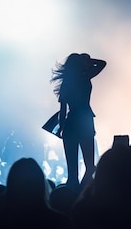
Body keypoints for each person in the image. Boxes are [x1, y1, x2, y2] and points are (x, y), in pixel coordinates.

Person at [51, 52, 107, 190]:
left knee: (72, 171)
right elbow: (102, 64)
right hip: (85, 121)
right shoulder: (84, 77)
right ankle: (83, 193)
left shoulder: (66, 84)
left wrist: (60, 128)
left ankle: (72, 196)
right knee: (90, 166)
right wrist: (87, 60)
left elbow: (63, 110)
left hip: (70, 124)